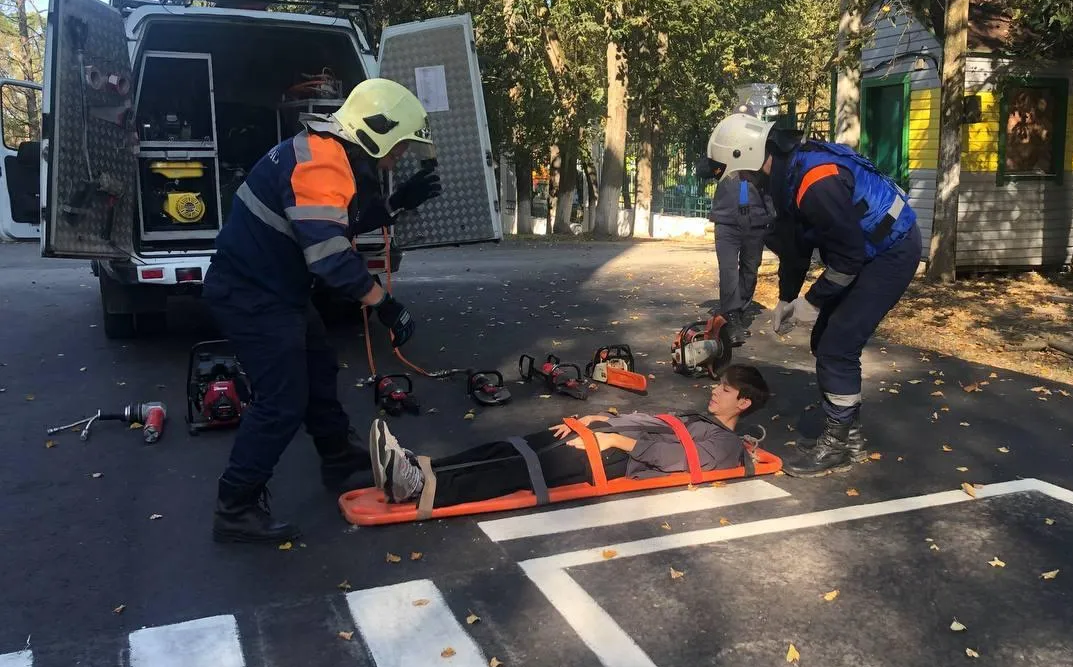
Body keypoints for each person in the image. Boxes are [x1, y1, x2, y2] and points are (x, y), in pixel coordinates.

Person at [202, 78, 443, 543]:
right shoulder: (321, 164)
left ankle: (340, 462)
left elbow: (334, 220)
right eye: (397, 149)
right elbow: (330, 255)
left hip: (276, 291)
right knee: (281, 401)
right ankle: (235, 506)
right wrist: (385, 305)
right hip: (252, 296)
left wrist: (395, 203)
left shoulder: (326, 155)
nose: (396, 160)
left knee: (318, 370)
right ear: (376, 133)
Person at [704, 113, 922, 476]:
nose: (739, 178)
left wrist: (813, 301)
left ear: (748, 155)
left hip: (890, 252)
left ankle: (838, 444)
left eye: (736, 170)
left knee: (838, 345)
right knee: (825, 340)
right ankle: (848, 437)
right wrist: (787, 297)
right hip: (866, 250)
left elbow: (849, 259)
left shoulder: (815, 181)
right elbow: (797, 248)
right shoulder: (787, 172)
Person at [370, 365, 770, 509]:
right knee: (511, 447)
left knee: (517, 470)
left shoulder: (726, 444)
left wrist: (614, 442)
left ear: (744, 404)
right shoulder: (701, 418)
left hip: (614, 458)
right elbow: (653, 421)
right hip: (601, 437)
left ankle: (419, 487)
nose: (715, 391)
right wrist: (601, 419)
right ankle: (421, 466)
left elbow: (680, 461)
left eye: (726, 390)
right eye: (718, 384)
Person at [704, 157, 776, 345]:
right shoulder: (725, 153)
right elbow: (702, 171)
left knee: (750, 269)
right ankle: (731, 316)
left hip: (756, 220)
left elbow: (774, 176)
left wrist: (758, 168)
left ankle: (740, 308)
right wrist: (718, 166)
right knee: (728, 269)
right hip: (726, 221)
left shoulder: (763, 154)